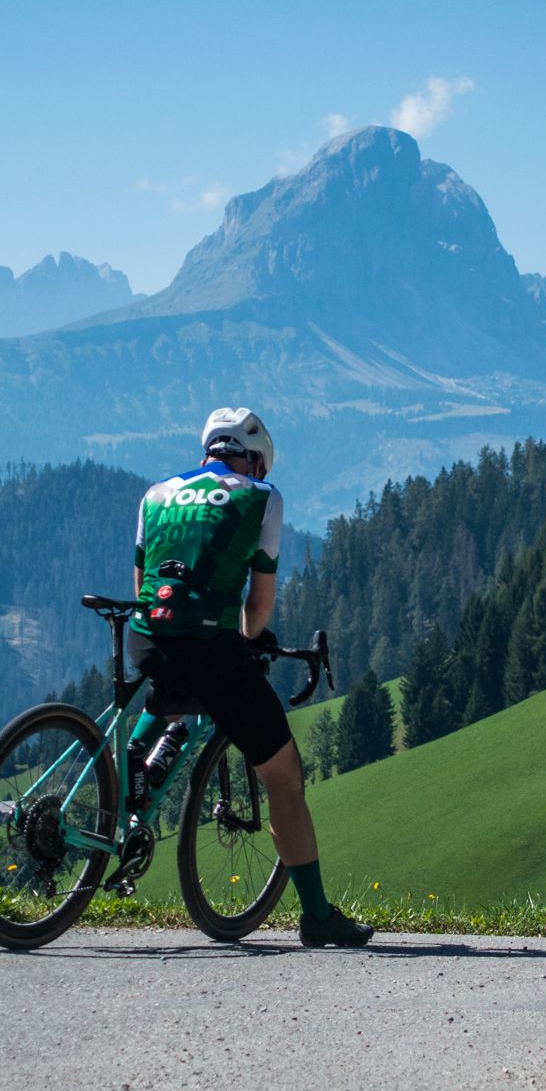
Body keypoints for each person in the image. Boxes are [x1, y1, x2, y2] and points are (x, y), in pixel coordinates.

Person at [127, 406, 373, 947]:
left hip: (146, 637)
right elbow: (258, 605)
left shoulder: (156, 493)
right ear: (255, 459)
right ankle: (318, 917)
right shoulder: (261, 496)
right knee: (284, 773)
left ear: (208, 449)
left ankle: (119, 807)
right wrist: (249, 638)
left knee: (168, 691)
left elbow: (144, 581)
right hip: (211, 645)